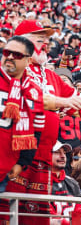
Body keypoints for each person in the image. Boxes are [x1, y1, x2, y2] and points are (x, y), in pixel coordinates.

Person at [4, 20, 81, 225]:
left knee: (37, 218)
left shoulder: (50, 75)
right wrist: (62, 101)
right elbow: (32, 98)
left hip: (43, 158)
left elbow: (79, 102)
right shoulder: (13, 66)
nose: (47, 44)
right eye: (41, 40)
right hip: (16, 156)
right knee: (8, 213)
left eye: (48, 40)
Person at [0, 36, 43, 192]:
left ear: (28, 61)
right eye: (6, 52)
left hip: (4, 169)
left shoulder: (34, 92)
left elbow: (36, 133)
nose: (10, 57)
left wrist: (22, 163)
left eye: (17, 55)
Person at [50, 141, 81, 224]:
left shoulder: (73, 183)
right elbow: (46, 215)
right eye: (57, 152)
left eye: (64, 153)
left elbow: (80, 212)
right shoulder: (39, 182)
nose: (62, 156)